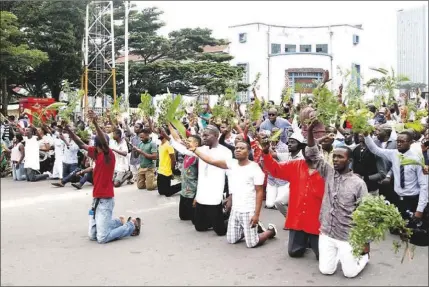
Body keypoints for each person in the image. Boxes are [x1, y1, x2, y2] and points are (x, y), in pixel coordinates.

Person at [64, 110, 141, 243]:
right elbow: (81, 144)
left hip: (106, 200)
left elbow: (104, 144)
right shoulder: (96, 153)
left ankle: (131, 225)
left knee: (102, 237)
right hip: (96, 200)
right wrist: (68, 130)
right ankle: (119, 221)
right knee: (92, 235)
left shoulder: (108, 155)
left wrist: (95, 122)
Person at [306, 118, 369, 278]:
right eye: (334, 157)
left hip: (347, 235)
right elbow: (312, 152)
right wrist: (311, 131)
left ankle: (364, 258)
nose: (335, 160)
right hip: (326, 231)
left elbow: (365, 213)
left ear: (350, 161)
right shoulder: (328, 172)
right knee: (326, 270)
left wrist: (365, 242)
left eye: (340, 157)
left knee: (350, 273)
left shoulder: (358, 183)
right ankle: (342, 256)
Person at [190, 140, 277, 248]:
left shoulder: (255, 168)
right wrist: (194, 150)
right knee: (231, 239)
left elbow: (259, 192)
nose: (238, 150)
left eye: (242, 148)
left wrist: (256, 215)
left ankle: (270, 231)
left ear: (248, 151)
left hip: (248, 210)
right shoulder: (232, 163)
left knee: (251, 243)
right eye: (236, 148)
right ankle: (249, 230)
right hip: (235, 209)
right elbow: (211, 160)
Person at [261, 133, 325, 259]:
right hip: (298, 219)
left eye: (312, 148)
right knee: (294, 252)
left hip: (317, 221)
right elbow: (275, 169)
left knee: (321, 256)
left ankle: (314, 242)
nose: (308, 151)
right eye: (305, 148)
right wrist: (266, 152)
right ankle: (305, 242)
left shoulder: (326, 169)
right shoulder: (296, 165)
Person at [364, 130, 428, 220]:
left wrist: (419, 210)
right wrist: (366, 135)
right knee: (399, 226)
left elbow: (424, 186)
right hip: (397, 198)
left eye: (402, 142)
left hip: (412, 200)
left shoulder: (416, 160)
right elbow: (375, 150)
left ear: (410, 142)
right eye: (397, 141)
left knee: (411, 229)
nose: (398, 144)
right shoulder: (394, 154)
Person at [188, 125, 232, 236]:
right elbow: (182, 148)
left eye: (206, 135)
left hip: (215, 196)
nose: (203, 138)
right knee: (199, 227)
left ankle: (232, 221)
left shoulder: (225, 151)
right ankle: (216, 218)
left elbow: (231, 175)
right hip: (201, 195)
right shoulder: (201, 150)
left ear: (216, 136)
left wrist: (231, 196)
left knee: (220, 231)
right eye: (202, 135)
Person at [161, 124, 201, 222]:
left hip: (192, 192)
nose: (186, 142)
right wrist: (170, 126)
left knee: (195, 219)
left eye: (189, 141)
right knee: (183, 217)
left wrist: (198, 196)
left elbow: (176, 143)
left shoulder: (196, 155)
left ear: (196, 144)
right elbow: (177, 139)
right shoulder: (187, 152)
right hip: (184, 190)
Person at [157, 128, 181, 197]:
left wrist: (172, 170)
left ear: (165, 134)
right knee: (161, 192)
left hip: (166, 172)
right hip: (160, 171)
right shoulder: (161, 144)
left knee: (167, 193)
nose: (159, 134)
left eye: (161, 132)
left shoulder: (168, 145)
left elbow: (173, 160)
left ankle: (183, 185)